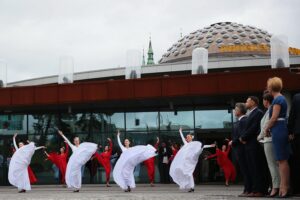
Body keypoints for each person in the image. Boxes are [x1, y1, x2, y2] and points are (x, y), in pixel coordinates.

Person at [265, 77, 290, 198]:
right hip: (279, 129)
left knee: (282, 160)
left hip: (279, 129)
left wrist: (266, 128)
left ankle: (284, 186)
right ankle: (283, 186)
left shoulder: (278, 99)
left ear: (271, 87)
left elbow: (274, 117)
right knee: (281, 160)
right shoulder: (280, 98)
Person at [239, 96, 268, 197]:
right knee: (252, 168)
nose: (245, 103)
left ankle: (259, 190)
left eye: (247, 101)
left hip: (254, 144)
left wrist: (243, 137)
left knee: (257, 167)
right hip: (249, 145)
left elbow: (254, 127)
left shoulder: (258, 113)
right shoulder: (250, 113)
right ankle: (254, 189)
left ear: (253, 102)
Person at [170, 128, 210, 192]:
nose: (187, 138)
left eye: (189, 137)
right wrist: (180, 131)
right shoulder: (186, 144)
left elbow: (203, 146)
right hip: (186, 162)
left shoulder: (195, 144)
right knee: (188, 174)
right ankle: (191, 187)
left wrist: (210, 145)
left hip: (192, 160)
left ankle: (191, 187)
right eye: (187, 137)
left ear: (191, 138)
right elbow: (182, 137)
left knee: (189, 172)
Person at [257, 92, 280, 197]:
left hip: (268, 140)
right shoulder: (269, 110)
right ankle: (276, 186)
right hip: (270, 139)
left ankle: (276, 187)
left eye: (263, 100)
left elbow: (266, 125)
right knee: (275, 164)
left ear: (266, 100)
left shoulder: (270, 110)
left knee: (272, 165)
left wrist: (259, 136)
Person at [230, 102, 251, 197]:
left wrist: (233, 142)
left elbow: (241, 136)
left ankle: (248, 189)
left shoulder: (244, 121)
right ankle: (247, 189)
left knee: (246, 170)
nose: (234, 110)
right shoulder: (239, 121)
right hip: (239, 149)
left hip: (242, 150)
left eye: (236, 108)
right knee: (243, 170)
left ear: (240, 110)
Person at [288, 93, 300, 196]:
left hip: (298, 133)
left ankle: (297, 189)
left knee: (296, 162)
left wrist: (289, 131)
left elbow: (292, 115)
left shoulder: (296, 97)